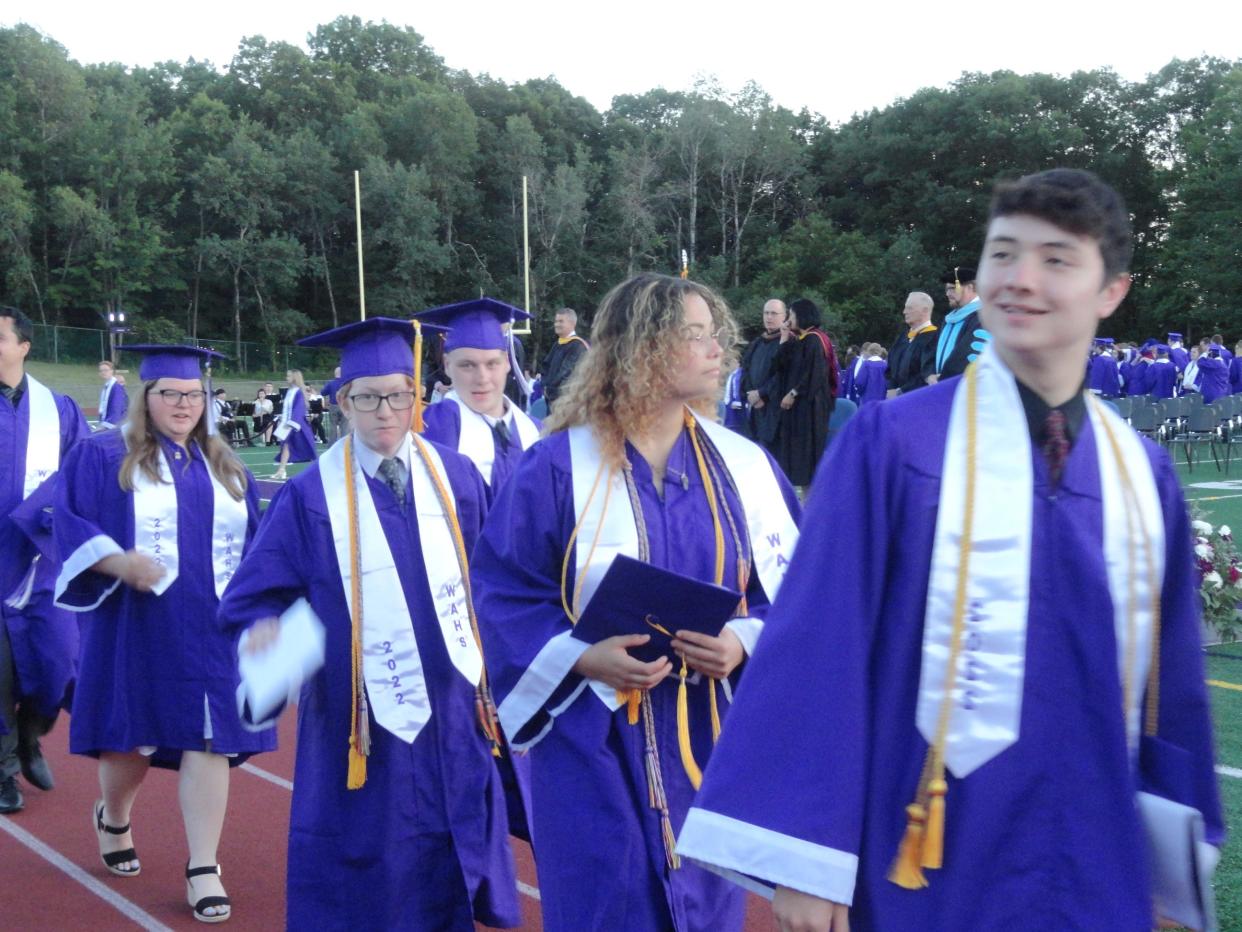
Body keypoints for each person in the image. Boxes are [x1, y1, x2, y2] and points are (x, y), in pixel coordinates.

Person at [677, 168, 1223, 931]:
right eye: (1003, 255)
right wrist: (807, 851)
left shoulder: (1142, 475)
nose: (1020, 280)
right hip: (931, 853)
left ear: (1112, 292)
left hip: (1093, 859)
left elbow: (1171, 693)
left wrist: (1170, 859)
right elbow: (819, 643)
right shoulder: (894, 445)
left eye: (1057, 260)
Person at [470, 272, 801, 932]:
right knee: (605, 902)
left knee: (705, 909)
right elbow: (504, 593)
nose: (718, 351)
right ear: (644, 347)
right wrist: (582, 656)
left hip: (703, 738)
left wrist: (742, 639)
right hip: (592, 741)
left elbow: (794, 594)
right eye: (697, 335)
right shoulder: (557, 468)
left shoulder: (746, 469)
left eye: (717, 335)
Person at [217, 318, 520, 931]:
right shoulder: (309, 497)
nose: (384, 411)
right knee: (371, 863)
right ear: (342, 403)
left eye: (397, 395)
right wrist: (266, 633)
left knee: (450, 853)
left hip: (456, 709)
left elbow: (496, 580)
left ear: (418, 397)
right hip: (361, 720)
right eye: (366, 397)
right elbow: (253, 598)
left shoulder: (457, 477)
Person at [53, 344, 272, 923]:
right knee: (134, 738)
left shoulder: (226, 466)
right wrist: (113, 560)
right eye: (169, 393)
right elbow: (66, 520)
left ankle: (203, 865)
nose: (183, 404)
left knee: (212, 736)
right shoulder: (104, 457)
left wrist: (266, 606)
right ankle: (115, 815)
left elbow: (257, 543)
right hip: (139, 621)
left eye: (193, 395)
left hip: (214, 624)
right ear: (145, 398)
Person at [1, 306, 89, 813]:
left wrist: (49, 520)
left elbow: (79, 475)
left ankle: (31, 733)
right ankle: (3, 772)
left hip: (40, 559)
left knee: (58, 663)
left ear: (23, 346)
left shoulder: (58, 409)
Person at [417, 298, 543, 491]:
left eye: (492, 364)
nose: (482, 378)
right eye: (467, 365)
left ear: (507, 363)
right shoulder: (432, 429)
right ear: (448, 365)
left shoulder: (536, 431)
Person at [776, 298, 835, 490]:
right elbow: (780, 366)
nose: (788, 319)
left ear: (801, 315)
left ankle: (810, 499)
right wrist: (784, 339)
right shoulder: (800, 340)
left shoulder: (814, 340)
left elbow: (814, 374)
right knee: (799, 456)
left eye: (791, 315)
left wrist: (793, 393)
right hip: (801, 407)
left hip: (811, 408)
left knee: (807, 456)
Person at [739, 299, 787, 454]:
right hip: (755, 409)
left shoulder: (787, 344)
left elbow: (783, 374)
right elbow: (745, 370)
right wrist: (750, 394)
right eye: (766, 313)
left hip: (775, 411)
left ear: (784, 316)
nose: (769, 317)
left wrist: (762, 394)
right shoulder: (757, 343)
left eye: (774, 313)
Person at [932, 266, 987, 381]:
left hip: (966, 387)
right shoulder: (948, 320)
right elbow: (932, 350)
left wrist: (943, 378)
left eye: (952, 288)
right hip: (942, 385)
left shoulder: (983, 317)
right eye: (946, 289)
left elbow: (967, 357)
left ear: (970, 288)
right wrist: (930, 374)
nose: (947, 294)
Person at [886, 293, 938, 396]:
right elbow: (890, 367)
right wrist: (891, 388)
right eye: (905, 308)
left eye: (909, 308)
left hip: (918, 398)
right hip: (894, 399)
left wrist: (901, 392)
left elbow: (927, 373)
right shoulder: (902, 337)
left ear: (925, 310)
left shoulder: (934, 338)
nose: (904, 312)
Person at [539, 307, 588, 411]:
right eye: (556, 321)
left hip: (566, 399)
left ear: (572, 323)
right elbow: (545, 366)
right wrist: (544, 385)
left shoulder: (578, 346)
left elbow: (566, 372)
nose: (556, 324)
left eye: (561, 321)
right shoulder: (557, 344)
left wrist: (551, 388)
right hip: (551, 398)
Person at [272, 369, 317, 481]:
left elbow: (298, 409)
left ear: (295, 378)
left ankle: (317, 470)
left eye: (289, 376)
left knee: (306, 447)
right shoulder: (289, 391)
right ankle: (281, 470)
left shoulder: (298, 392)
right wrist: (282, 417)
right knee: (285, 446)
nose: (286, 378)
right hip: (287, 422)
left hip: (297, 425)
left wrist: (292, 423)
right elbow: (287, 408)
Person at [96, 360, 128, 430]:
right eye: (101, 371)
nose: (103, 372)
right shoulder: (106, 386)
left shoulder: (116, 387)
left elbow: (116, 408)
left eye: (106, 370)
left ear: (112, 371)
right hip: (107, 422)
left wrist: (105, 426)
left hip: (115, 424)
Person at [322, 365, 345, 442]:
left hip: (333, 406)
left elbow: (323, 392)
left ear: (335, 374)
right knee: (344, 427)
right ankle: (345, 445)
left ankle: (332, 445)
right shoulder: (345, 383)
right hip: (344, 406)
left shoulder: (330, 383)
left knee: (333, 427)